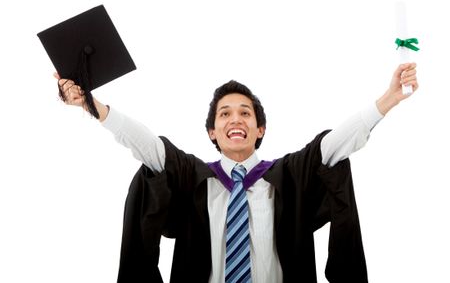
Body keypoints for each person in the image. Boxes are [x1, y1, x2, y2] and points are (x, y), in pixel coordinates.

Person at [55, 63, 418, 283]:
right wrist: (93, 107)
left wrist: (387, 100)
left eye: (245, 113)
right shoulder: (194, 178)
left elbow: (335, 145)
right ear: (212, 131)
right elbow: (149, 146)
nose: (235, 119)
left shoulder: (287, 176)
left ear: (260, 129)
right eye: (224, 114)